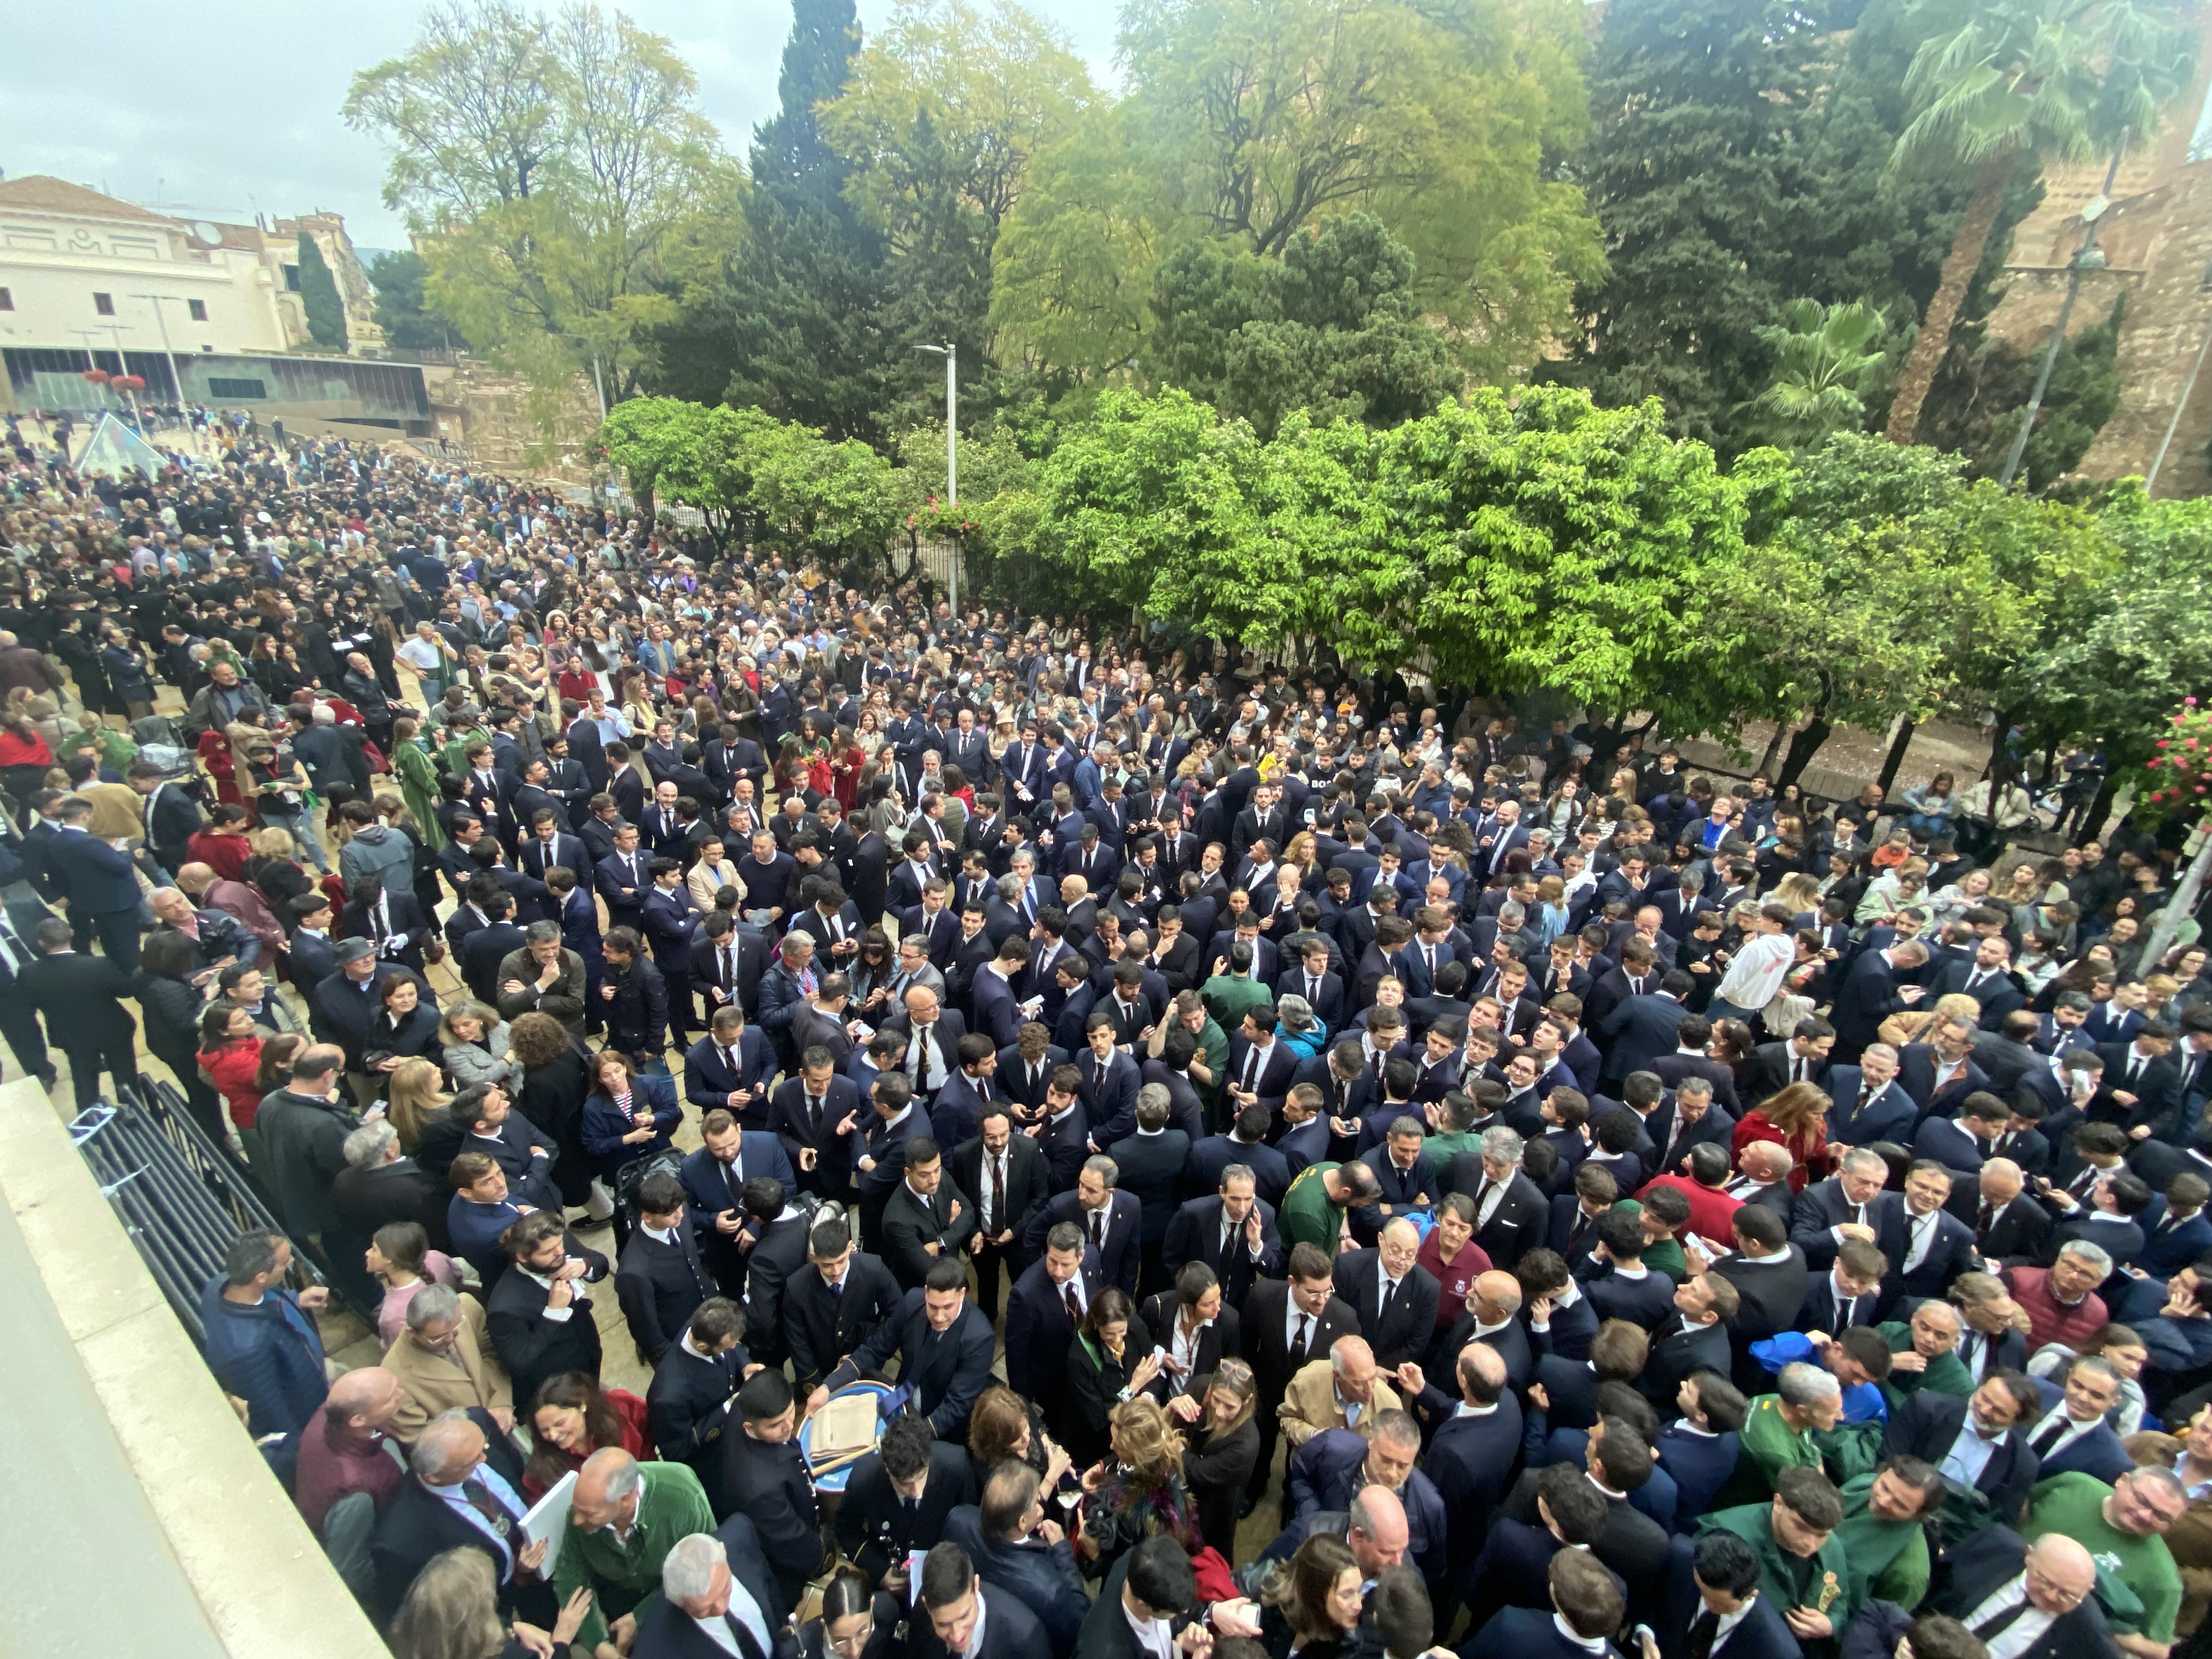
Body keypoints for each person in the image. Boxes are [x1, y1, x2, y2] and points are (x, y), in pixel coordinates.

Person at [551, 1447, 719, 1655]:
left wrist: (640, 1617)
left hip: (678, 1610)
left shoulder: (684, 1499)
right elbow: (571, 1578)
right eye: (577, 1509)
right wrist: (599, 1644)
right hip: (616, 1610)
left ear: (625, 1499)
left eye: (589, 1514)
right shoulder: (582, 1510)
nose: (577, 1520)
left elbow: (705, 1572)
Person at [200, 1227, 331, 1440]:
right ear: (261, 1277)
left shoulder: (223, 1284)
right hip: (310, 1415)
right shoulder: (244, 1351)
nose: (291, 1263)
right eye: (285, 1261)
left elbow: (266, 1299)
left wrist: (295, 1299)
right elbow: (274, 1415)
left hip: (316, 1379)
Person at [384, 1284, 515, 1444]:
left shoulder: (466, 1306)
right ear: (412, 1334)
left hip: (504, 1423)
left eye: (456, 1328)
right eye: (438, 1337)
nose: (451, 1339)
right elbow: (419, 1438)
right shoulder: (394, 1378)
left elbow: (491, 1353)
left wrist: (501, 1402)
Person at [522, 1370, 652, 1502]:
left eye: (560, 1423)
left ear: (582, 1406)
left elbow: (655, 1431)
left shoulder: (621, 1407)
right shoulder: (540, 1472)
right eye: (545, 1430)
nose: (554, 1435)